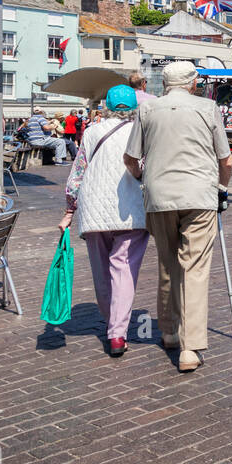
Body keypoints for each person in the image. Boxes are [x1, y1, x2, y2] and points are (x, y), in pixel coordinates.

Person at [123, 60, 232, 373]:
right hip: (199, 193)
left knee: (168, 262)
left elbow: (131, 158)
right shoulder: (208, 108)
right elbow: (225, 159)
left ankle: (170, 330)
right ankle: (190, 346)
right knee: (195, 269)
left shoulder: (148, 110)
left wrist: (143, 178)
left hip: (159, 194)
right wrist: (222, 188)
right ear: (192, 83)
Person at [59, 85, 148, 358]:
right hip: (131, 212)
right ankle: (117, 334)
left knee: (101, 272)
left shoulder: (92, 132)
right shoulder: (140, 133)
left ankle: (112, 322)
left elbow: (77, 174)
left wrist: (70, 210)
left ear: (107, 106)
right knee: (123, 270)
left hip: (94, 211)